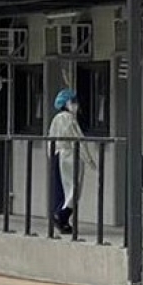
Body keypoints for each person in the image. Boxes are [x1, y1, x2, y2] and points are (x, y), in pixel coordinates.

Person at [48, 88, 96, 236]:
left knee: (62, 189)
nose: (76, 105)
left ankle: (61, 218)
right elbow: (77, 139)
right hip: (69, 157)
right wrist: (88, 159)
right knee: (72, 189)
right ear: (66, 103)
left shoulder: (56, 119)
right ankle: (61, 216)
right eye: (73, 101)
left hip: (59, 155)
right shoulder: (67, 119)